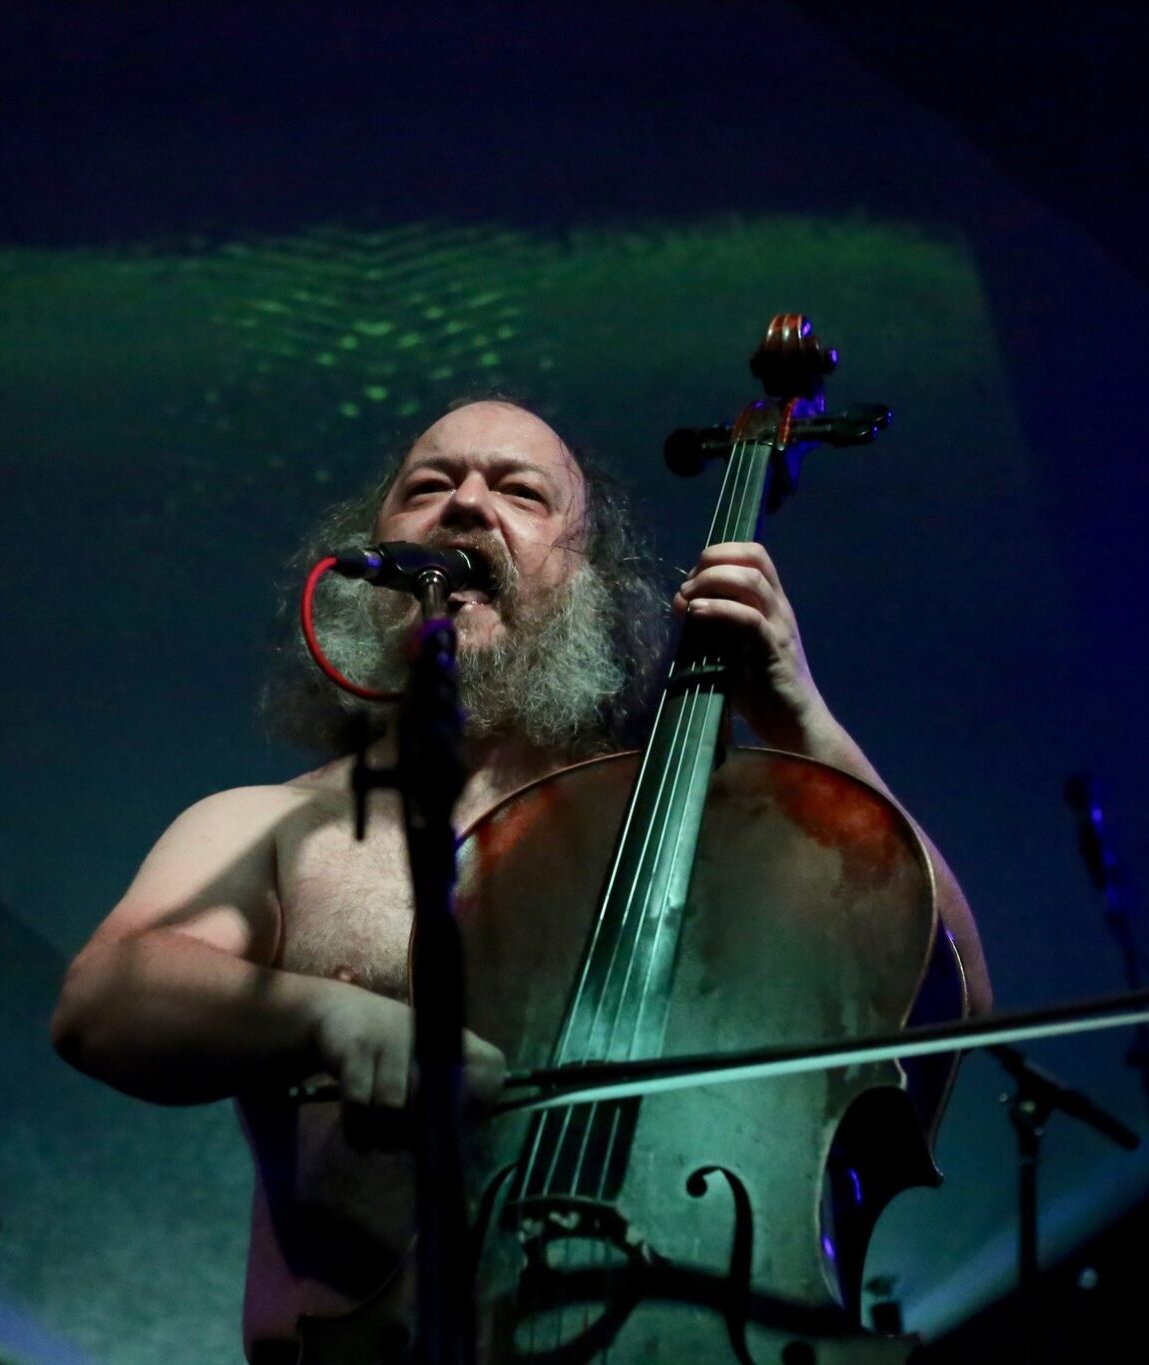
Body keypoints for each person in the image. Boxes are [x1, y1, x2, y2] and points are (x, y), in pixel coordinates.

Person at [50, 398, 993, 1360]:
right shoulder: (272, 826)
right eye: (428, 485)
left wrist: (802, 722)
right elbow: (104, 998)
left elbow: (940, 986)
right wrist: (332, 1017)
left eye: (520, 492)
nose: (466, 504)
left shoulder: (688, 835)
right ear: (371, 556)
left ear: (584, 581)